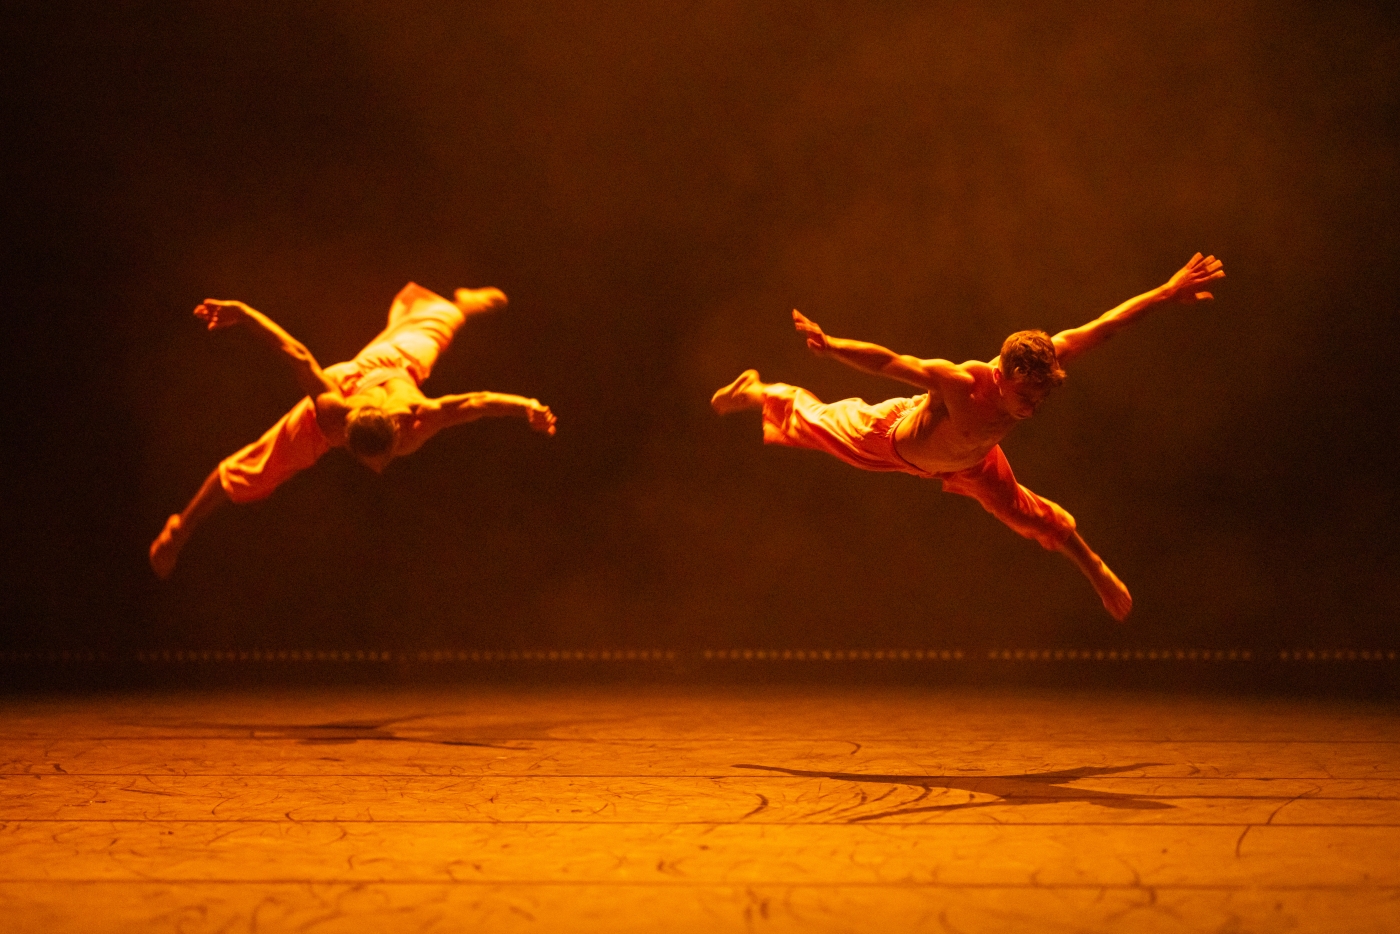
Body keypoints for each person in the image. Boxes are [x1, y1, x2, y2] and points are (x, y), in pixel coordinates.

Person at [711, 253, 1226, 620]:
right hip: (891, 440)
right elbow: (891, 361)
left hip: (970, 460)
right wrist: (831, 347)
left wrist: (1167, 292)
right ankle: (762, 390)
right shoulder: (961, 383)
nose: (1032, 407)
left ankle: (1094, 567)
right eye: (1026, 396)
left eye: (1041, 397)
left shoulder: (1047, 361)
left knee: (1028, 512)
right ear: (1001, 376)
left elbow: (1106, 326)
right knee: (815, 423)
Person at [149, 282, 557, 579]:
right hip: (349, 378)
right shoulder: (331, 412)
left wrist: (528, 408)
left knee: (443, 322)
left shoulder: (417, 415)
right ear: (345, 432)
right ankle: (179, 528)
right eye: (370, 461)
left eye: (381, 459)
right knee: (257, 464)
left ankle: (460, 305)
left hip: (396, 362)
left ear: (397, 431)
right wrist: (242, 312)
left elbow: (476, 402)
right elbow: (296, 353)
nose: (379, 470)